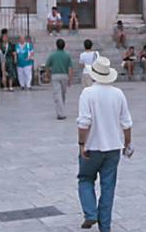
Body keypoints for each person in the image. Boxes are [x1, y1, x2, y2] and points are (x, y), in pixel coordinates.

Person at [76, 57, 133, 231]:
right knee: (108, 188)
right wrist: (127, 144)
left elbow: (83, 123)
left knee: (85, 179)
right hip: (113, 148)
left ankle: (91, 213)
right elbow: (127, 124)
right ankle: (105, 227)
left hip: (92, 147)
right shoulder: (118, 94)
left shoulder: (87, 93)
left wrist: (81, 144)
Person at [45, 38, 73, 120]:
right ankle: (61, 112)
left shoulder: (52, 55)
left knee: (57, 94)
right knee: (63, 94)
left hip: (55, 75)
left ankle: (60, 112)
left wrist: (48, 75)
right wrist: (70, 79)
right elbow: (70, 68)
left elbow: (47, 66)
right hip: (64, 75)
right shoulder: (67, 55)